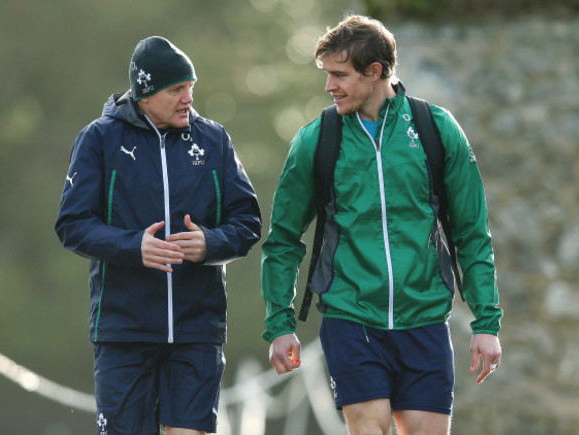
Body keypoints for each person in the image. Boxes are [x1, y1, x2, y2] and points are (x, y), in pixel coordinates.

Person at [261, 14, 502, 435]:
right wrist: (280, 325)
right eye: (327, 74)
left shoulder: (436, 130)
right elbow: (282, 240)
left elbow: (471, 233)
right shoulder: (316, 141)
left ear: (375, 72)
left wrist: (486, 322)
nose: (329, 86)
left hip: (424, 319)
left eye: (340, 74)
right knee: (370, 427)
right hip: (351, 319)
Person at [55, 36, 262, 435]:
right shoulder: (98, 139)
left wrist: (210, 244)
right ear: (145, 93)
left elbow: (248, 221)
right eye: (176, 89)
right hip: (124, 331)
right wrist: (133, 246)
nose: (188, 98)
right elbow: (72, 224)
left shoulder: (213, 138)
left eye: (191, 87)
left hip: (197, 329)